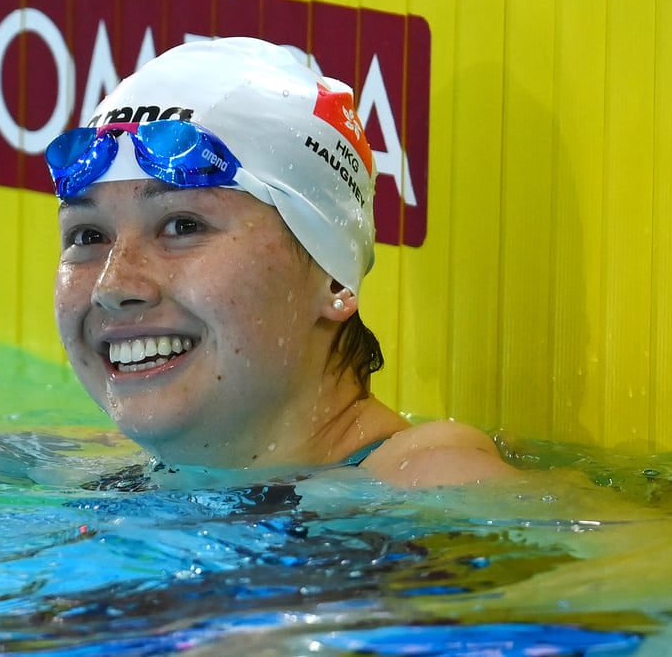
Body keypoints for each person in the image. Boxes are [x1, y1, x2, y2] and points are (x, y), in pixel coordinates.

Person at [46, 37, 517, 488]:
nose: (113, 284)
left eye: (183, 226)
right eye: (89, 235)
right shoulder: (99, 472)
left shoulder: (433, 482)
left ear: (332, 276)